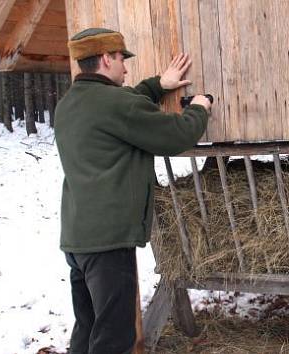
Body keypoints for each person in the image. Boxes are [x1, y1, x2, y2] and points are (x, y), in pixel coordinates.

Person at [54, 27, 211, 353]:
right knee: (114, 338)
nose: (126, 67)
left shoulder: (70, 103)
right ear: (106, 58)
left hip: (77, 239)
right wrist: (199, 108)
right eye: (121, 59)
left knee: (88, 328)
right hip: (108, 243)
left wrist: (157, 85)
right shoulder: (115, 103)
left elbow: (122, 108)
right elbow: (176, 136)